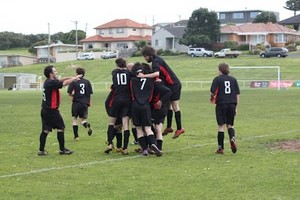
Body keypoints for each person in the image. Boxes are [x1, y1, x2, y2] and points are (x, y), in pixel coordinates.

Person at [139, 45, 184, 139]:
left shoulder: (155, 62)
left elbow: (157, 73)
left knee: (175, 106)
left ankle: (179, 128)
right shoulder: (158, 59)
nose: (145, 58)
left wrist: (144, 76)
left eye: (145, 56)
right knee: (168, 106)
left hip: (174, 84)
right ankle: (169, 127)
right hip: (170, 84)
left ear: (149, 55)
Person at [38, 65, 82, 156]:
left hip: (45, 110)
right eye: (55, 71)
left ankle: (41, 150)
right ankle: (62, 150)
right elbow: (64, 83)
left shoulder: (48, 81)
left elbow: (60, 80)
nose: (56, 72)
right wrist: (74, 78)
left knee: (45, 130)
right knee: (61, 127)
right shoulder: (51, 82)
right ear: (51, 74)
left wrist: (71, 77)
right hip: (51, 110)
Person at [130, 62, 162, 156]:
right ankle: (153, 144)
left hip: (135, 105)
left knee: (139, 129)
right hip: (146, 105)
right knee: (148, 128)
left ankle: (144, 149)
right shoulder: (150, 80)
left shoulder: (132, 80)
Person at [210, 63, 240, 154]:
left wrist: (212, 98)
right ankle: (232, 138)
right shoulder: (233, 79)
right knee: (230, 124)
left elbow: (213, 92)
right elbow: (237, 94)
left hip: (221, 104)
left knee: (221, 126)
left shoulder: (217, 79)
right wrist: (236, 107)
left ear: (220, 70)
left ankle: (220, 148)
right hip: (232, 104)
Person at [104, 58, 132, 155]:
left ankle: (110, 143)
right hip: (127, 100)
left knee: (112, 122)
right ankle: (125, 148)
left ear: (117, 65)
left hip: (117, 99)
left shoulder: (114, 72)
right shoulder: (129, 74)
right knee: (125, 125)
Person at [67, 67, 93, 141]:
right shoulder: (87, 82)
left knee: (74, 119)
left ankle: (76, 136)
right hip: (84, 103)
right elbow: (90, 93)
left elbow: (69, 92)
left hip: (76, 102)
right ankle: (86, 124)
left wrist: (73, 95)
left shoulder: (74, 81)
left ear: (76, 73)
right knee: (82, 119)